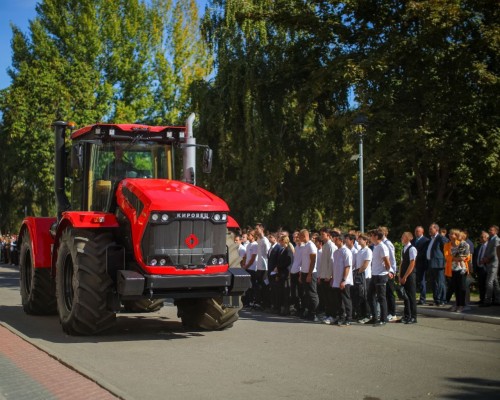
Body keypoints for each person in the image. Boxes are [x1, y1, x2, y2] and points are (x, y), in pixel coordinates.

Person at [368, 229, 391, 326]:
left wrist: (387, 270)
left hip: (381, 275)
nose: (370, 237)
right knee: (370, 296)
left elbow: (387, 260)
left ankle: (383, 319)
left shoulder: (382, 247)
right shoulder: (376, 246)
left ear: (377, 237)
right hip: (374, 274)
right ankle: (375, 317)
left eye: (372, 235)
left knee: (381, 298)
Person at [444, 229, 470, 312]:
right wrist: (456, 258)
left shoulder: (462, 244)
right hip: (452, 269)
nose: (450, 235)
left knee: (461, 287)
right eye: (449, 234)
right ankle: (457, 304)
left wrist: (460, 258)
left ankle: (461, 305)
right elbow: (447, 257)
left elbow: (467, 257)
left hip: (462, 269)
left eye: (452, 234)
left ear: (456, 235)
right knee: (455, 288)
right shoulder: (446, 245)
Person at [331, 233, 353, 326]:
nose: (334, 241)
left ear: (341, 240)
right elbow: (335, 267)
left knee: (346, 300)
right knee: (338, 301)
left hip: (345, 281)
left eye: (336, 239)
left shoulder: (346, 251)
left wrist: (344, 280)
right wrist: (333, 278)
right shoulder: (336, 252)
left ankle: (349, 318)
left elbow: (347, 267)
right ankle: (341, 317)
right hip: (336, 280)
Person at [298, 229, 319, 322]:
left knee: (312, 294)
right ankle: (309, 312)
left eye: (300, 236)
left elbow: (313, 260)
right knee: (307, 294)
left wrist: (309, 274)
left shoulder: (311, 245)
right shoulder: (305, 246)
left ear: (304, 236)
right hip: (304, 272)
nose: (299, 238)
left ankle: (314, 313)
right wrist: (302, 273)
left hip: (311, 272)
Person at [317, 228, 336, 324]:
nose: (321, 236)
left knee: (330, 298)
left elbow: (332, 262)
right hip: (323, 275)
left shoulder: (331, 246)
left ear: (328, 235)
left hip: (329, 276)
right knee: (325, 297)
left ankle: (332, 315)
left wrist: (330, 276)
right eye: (321, 234)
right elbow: (323, 263)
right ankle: (328, 314)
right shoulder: (324, 246)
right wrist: (320, 275)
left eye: (323, 234)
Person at [399, 232, 418, 324]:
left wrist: (405, 276)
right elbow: (402, 263)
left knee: (411, 296)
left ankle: (413, 317)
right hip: (403, 275)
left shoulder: (412, 249)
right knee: (405, 296)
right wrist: (400, 275)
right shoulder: (403, 249)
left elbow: (412, 263)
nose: (402, 238)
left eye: (403, 237)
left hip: (410, 276)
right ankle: (407, 315)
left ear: (409, 238)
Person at [427, 223, 447, 306]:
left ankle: (442, 299)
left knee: (440, 282)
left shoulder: (441, 238)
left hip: (439, 264)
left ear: (436, 229)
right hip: (431, 263)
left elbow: (445, 250)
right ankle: (436, 299)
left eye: (431, 229)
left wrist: (445, 262)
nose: (429, 230)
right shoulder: (431, 239)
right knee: (434, 282)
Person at [480, 225, 500, 307]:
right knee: (495, 282)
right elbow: (487, 250)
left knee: (489, 282)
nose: (489, 231)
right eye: (489, 230)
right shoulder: (490, 239)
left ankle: (487, 301)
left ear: (496, 231)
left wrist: (487, 258)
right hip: (489, 262)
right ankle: (498, 300)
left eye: (491, 230)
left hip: (493, 263)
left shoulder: (497, 239)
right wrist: (484, 258)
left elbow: (495, 252)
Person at [380, 227, 397, 320]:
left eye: (381, 232)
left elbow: (392, 259)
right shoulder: (381, 244)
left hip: (389, 271)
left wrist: (392, 270)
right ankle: (387, 312)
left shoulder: (388, 243)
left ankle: (393, 312)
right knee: (385, 293)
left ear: (385, 233)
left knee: (390, 292)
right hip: (383, 271)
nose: (380, 234)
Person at [355, 233, 372, 323]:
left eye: (361, 239)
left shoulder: (367, 251)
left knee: (365, 296)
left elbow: (366, 264)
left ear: (365, 241)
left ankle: (367, 315)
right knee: (360, 295)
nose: (358, 240)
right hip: (359, 275)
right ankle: (361, 314)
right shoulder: (360, 250)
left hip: (365, 276)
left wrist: (359, 272)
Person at [275, 235, 294, 315]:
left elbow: (288, 262)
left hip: (285, 273)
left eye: (280, 240)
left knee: (286, 292)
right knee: (282, 292)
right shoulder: (283, 250)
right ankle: (283, 308)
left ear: (284, 241)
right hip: (281, 273)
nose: (279, 242)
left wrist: (279, 266)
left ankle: (287, 309)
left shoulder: (288, 250)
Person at [412, 226, 430, 305]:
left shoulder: (426, 241)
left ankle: (422, 299)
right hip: (413, 264)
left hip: (421, 264)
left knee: (422, 281)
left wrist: (415, 258)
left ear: (422, 232)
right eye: (415, 231)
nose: (416, 233)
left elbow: (424, 253)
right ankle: (413, 297)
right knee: (414, 281)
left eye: (418, 231)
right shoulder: (413, 241)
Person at [242, 230, 259, 307]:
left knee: (252, 285)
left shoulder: (255, 245)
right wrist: (244, 264)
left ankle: (252, 300)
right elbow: (245, 256)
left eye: (249, 235)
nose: (248, 236)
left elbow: (253, 258)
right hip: (247, 267)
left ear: (253, 236)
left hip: (252, 268)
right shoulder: (249, 245)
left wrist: (246, 266)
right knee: (248, 286)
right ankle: (247, 301)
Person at [289, 231, 304, 315]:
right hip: (294, 271)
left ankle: (301, 309)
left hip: (299, 271)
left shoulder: (303, 247)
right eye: (294, 237)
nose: (295, 239)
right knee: (294, 292)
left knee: (300, 292)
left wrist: (301, 273)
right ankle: (297, 308)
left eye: (296, 237)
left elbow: (302, 261)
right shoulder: (296, 247)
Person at [473, 231, 490, 304]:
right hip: (479, 267)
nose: (481, 238)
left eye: (482, 237)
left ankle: (487, 300)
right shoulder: (479, 246)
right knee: (480, 284)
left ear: (487, 238)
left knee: (486, 284)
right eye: (480, 237)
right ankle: (481, 299)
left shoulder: (489, 246)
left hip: (486, 267)